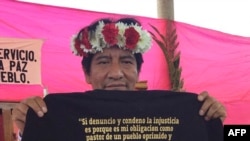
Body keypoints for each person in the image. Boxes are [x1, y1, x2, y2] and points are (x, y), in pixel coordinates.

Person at [12, 17, 227, 137]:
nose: (116, 73)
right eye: (104, 62)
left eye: (126, 61)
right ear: (87, 73)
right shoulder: (55, 114)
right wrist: (30, 126)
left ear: (138, 72)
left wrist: (208, 120)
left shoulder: (179, 111)